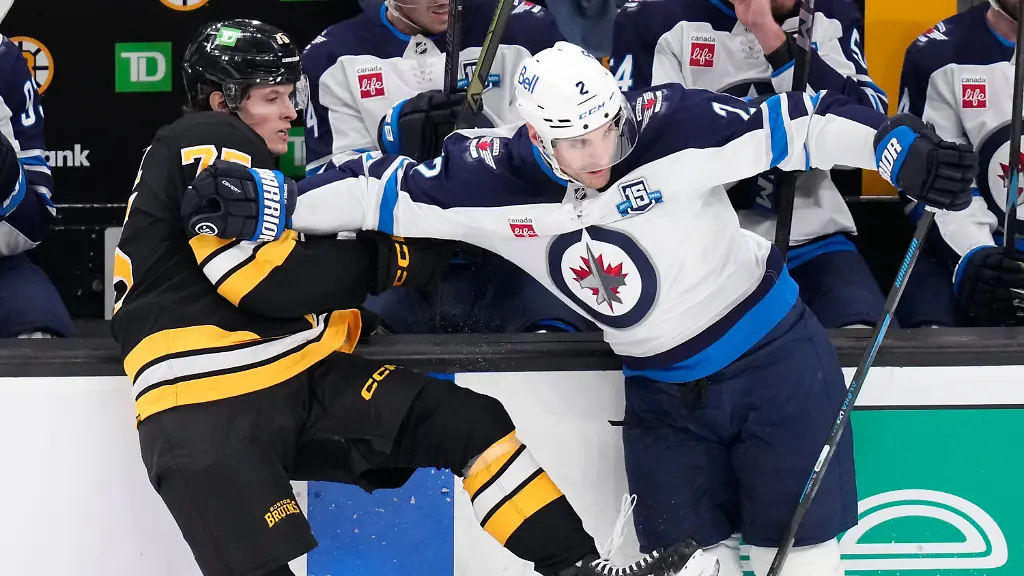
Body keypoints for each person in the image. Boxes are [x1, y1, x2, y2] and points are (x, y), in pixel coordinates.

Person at [184, 42, 977, 576]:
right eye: (577, 143)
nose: (600, 154)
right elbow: (373, 188)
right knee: (683, 564)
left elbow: (800, 126)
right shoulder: (486, 178)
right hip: (663, 396)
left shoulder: (673, 124)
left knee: (802, 557)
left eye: (608, 129)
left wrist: (895, 146)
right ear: (536, 135)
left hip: (776, 366)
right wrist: (264, 195)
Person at [110, 20, 715, 576]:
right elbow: (258, 281)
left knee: (465, 422)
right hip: (208, 406)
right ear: (222, 101)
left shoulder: (218, 156)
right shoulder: (208, 134)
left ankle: (575, 568)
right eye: (273, 97)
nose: (291, 113)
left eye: (292, 94)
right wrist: (393, 261)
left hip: (284, 376)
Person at [303, 0, 594, 335]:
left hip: (517, 257)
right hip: (399, 267)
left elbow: (584, 155)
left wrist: (490, 145)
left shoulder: (526, 28)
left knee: (562, 347)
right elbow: (327, 185)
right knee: (354, 342)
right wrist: (395, 146)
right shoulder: (331, 57)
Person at [608, 0, 890, 329]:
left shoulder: (829, 11)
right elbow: (637, 158)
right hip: (702, 251)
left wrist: (773, 39)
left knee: (863, 336)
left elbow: (867, 131)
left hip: (814, 238)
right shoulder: (652, 18)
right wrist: (759, 132)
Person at [895, 0, 1024, 327]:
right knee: (928, 332)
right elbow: (931, 185)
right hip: (963, 252)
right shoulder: (937, 55)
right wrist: (976, 256)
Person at [0, 35, 74, 338]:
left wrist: (3, 173)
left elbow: (32, 225)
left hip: (3, 267)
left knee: (40, 340)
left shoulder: (4, 61)